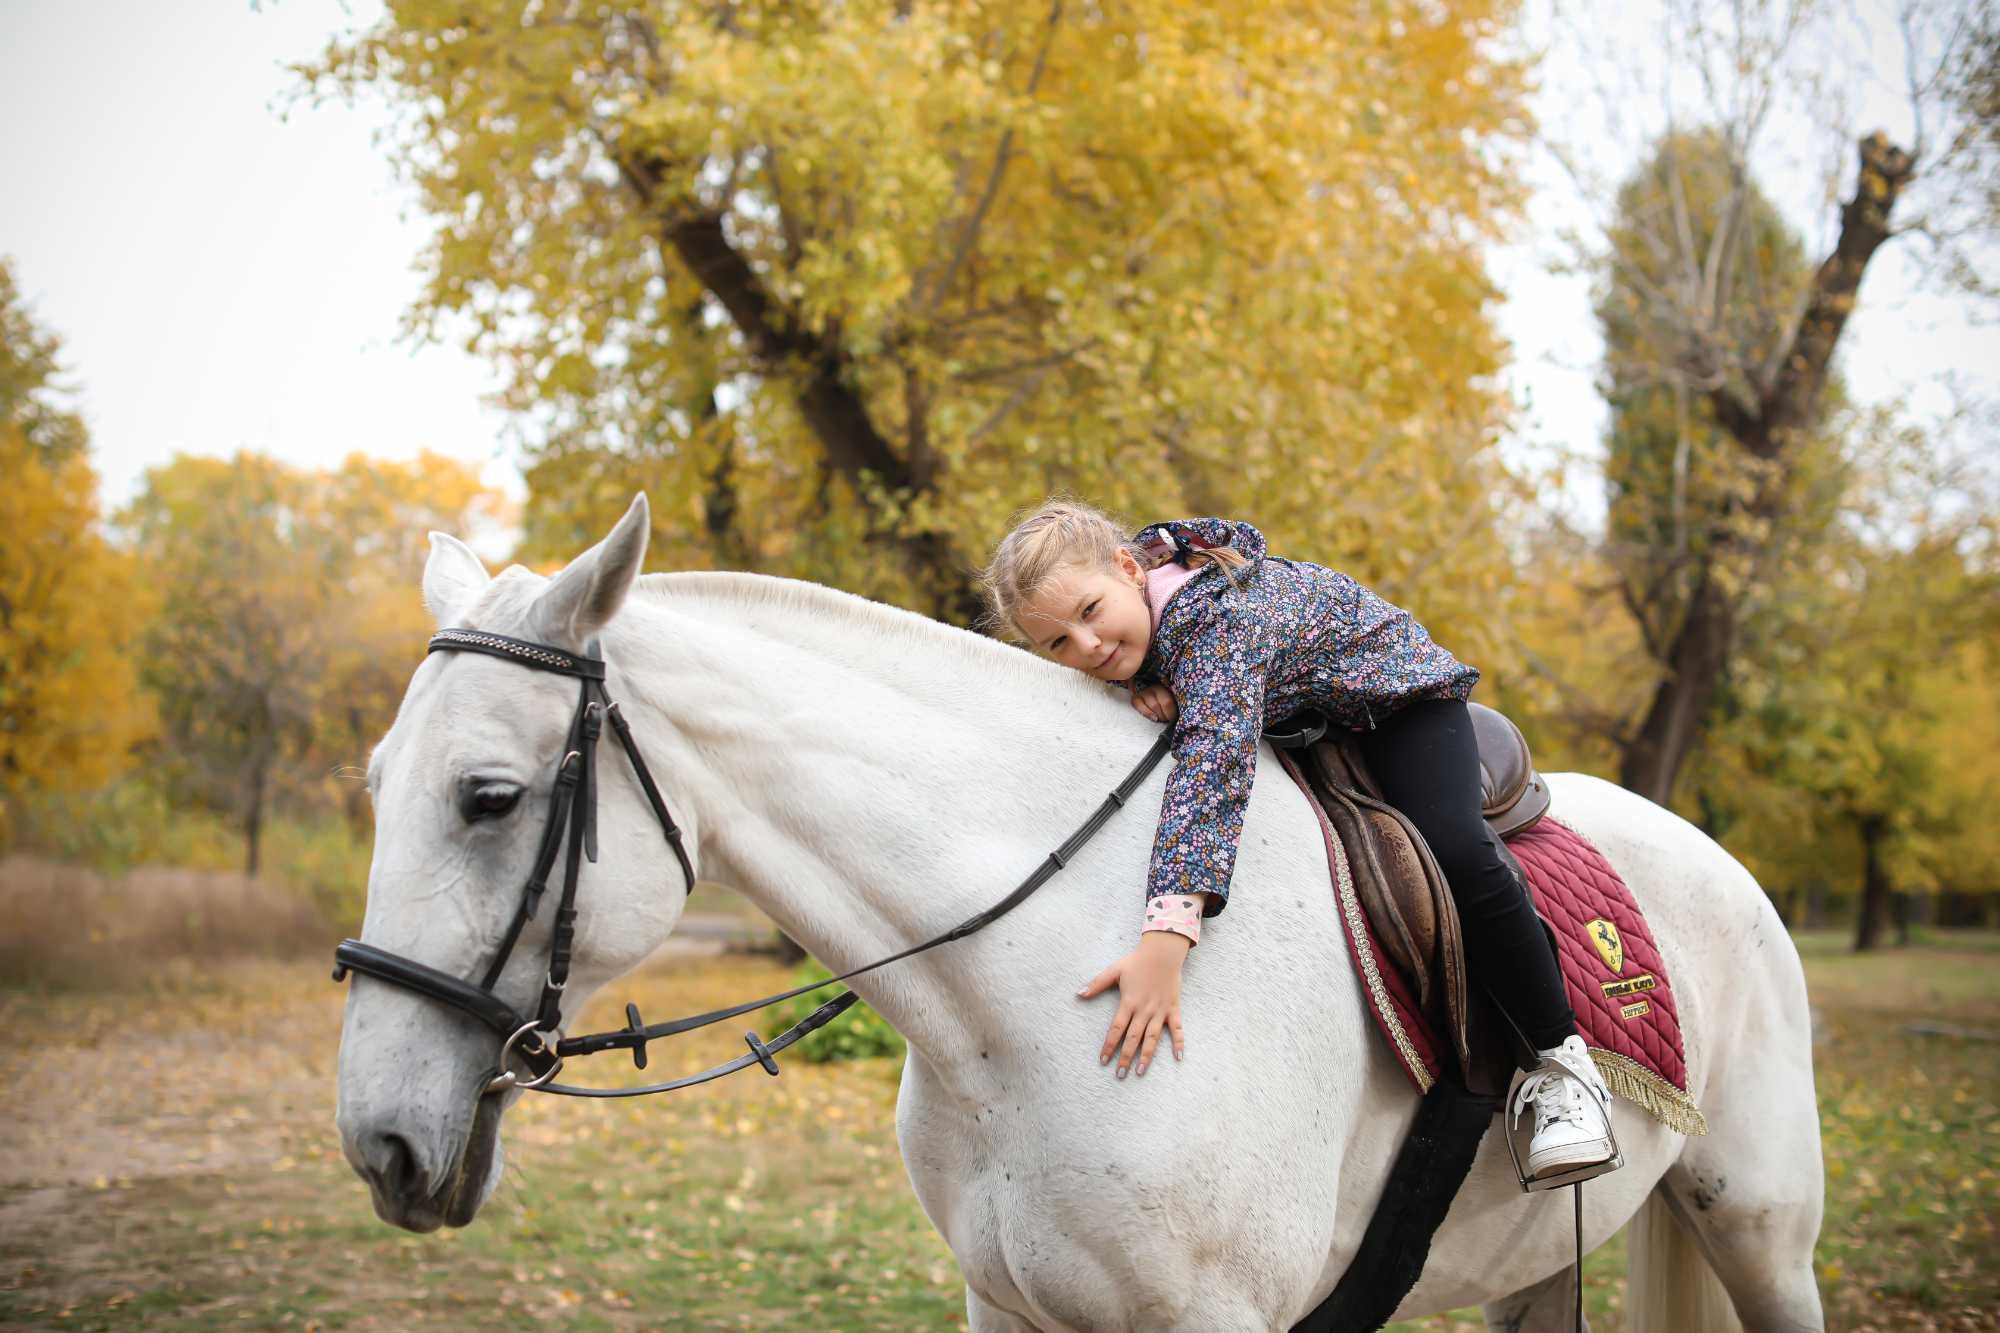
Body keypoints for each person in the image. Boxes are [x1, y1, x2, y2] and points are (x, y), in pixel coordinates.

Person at [980, 499, 1618, 1181]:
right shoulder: (1160, 619)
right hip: (1316, 720)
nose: (1089, 648)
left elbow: (1213, 770)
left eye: (1088, 612)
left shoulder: (1222, 623)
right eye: (1058, 645)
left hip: (1397, 708)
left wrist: (1167, 936)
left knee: (1453, 847)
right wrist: (1153, 673)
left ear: (1129, 567)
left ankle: (1563, 1061)